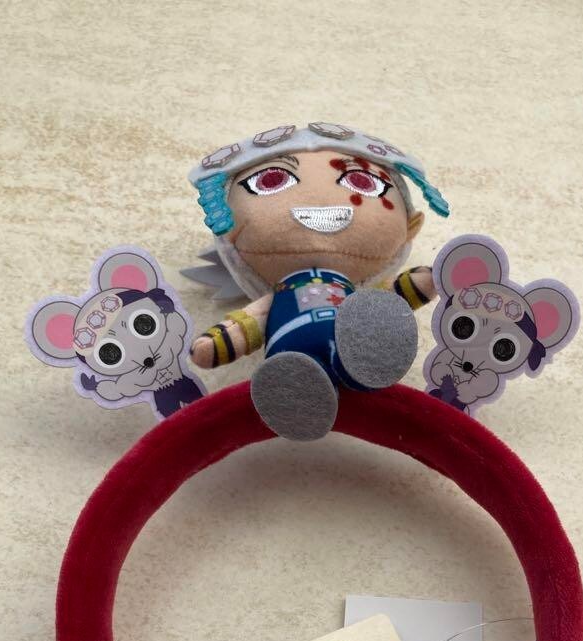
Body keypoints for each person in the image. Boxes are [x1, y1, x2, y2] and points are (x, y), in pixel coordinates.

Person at [186, 123, 449, 439]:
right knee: (299, 370)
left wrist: (426, 280)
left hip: (355, 332)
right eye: (271, 181)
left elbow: (388, 297)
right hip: (291, 356)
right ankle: (295, 394)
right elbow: (248, 323)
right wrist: (218, 343)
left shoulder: (357, 298)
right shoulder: (278, 297)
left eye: (362, 181)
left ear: (410, 225)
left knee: (370, 312)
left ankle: (367, 360)